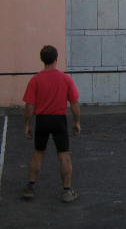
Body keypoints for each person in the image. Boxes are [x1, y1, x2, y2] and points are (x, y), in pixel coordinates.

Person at [21, 45, 81, 203]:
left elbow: (29, 106)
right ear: (56, 59)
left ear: (42, 59)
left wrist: (27, 124)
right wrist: (77, 122)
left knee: (38, 152)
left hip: (42, 120)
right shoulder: (65, 79)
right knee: (64, 154)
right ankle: (67, 191)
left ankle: (30, 187)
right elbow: (74, 103)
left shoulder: (35, 80)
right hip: (58, 120)